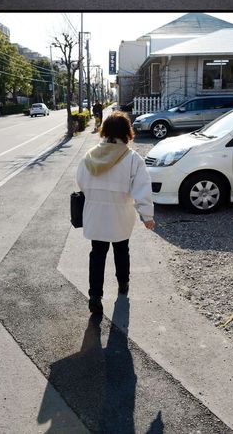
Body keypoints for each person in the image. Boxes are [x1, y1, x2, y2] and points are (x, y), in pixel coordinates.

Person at [76, 110, 155, 316]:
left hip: (95, 212)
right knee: (121, 249)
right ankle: (123, 283)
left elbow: (81, 183)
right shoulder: (132, 158)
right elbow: (142, 189)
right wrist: (147, 216)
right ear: (126, 132)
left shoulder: (90, 155)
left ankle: (95, 295)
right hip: (120, 213)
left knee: (97, 253)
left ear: (106, 131)